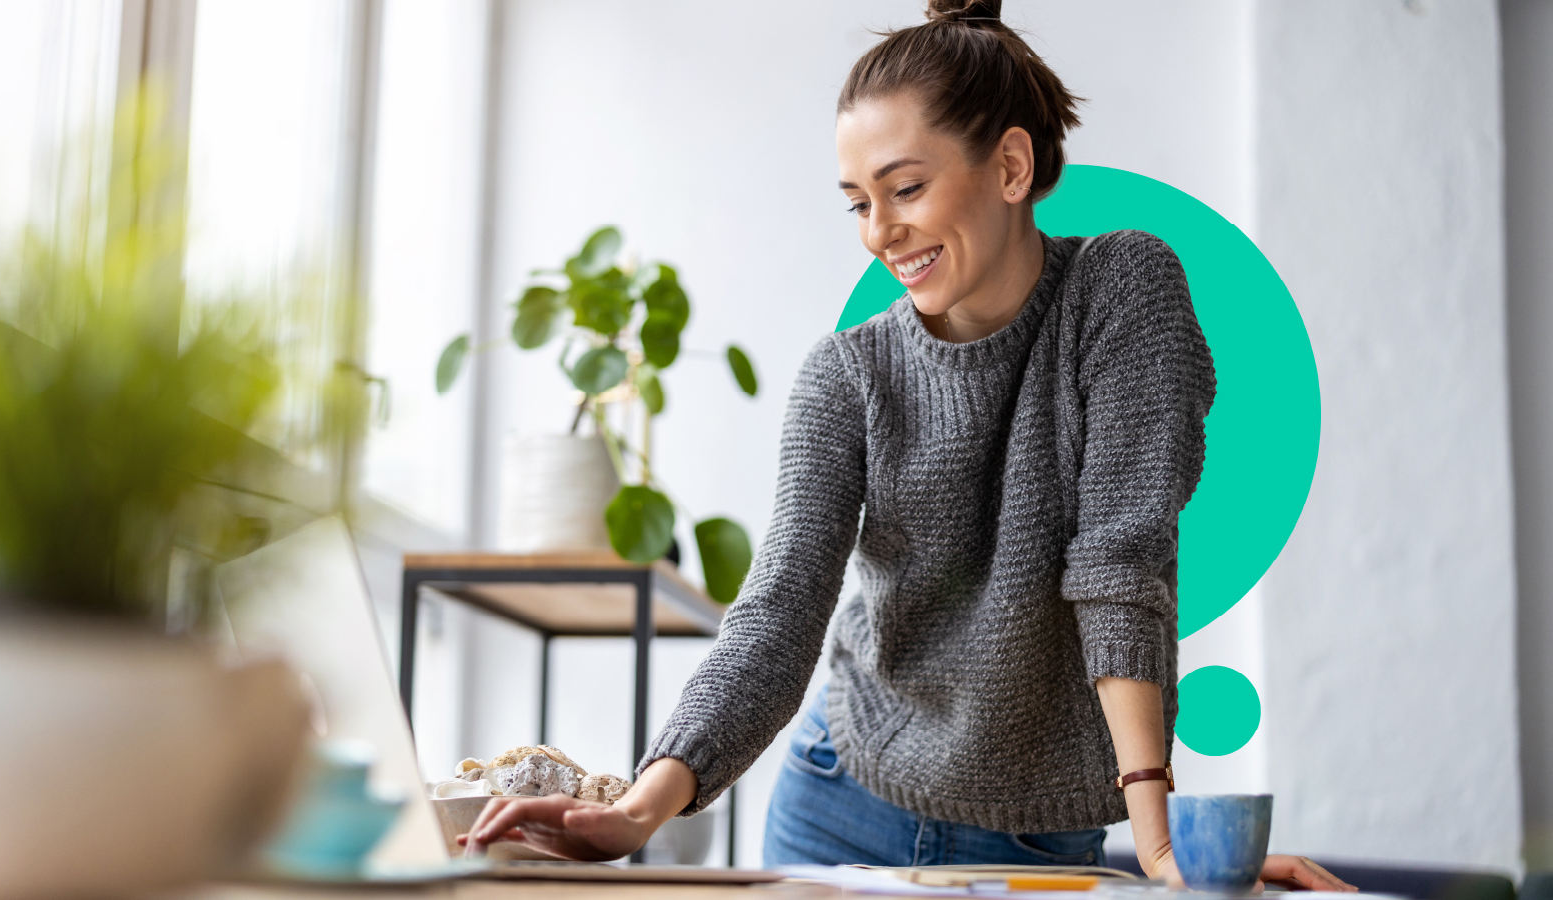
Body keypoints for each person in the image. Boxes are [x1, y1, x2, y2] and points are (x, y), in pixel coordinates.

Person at [463, 0, 1353, 889]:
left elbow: (1121, 563)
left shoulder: (1122, 292)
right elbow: (780, 607)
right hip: (839, 797)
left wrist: (1162, 846)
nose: (878, 232)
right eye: (858, 202)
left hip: (1035, 832)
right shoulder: (847, 374)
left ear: (1010, 165)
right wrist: (634, 811)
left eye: (906, 188)